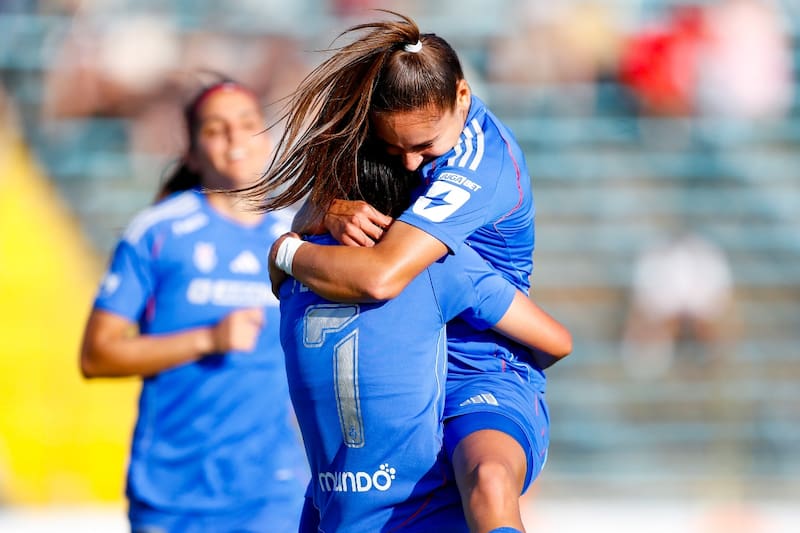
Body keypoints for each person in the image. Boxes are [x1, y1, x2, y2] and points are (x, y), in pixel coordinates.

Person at [246, 11, 553, 532]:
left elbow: (381, 275)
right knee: (338, 510)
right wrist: (327, 211)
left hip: (476, 368)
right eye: (395, 148)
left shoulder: (481, 165)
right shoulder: (392, 132)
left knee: (489, 480)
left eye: (424, 146)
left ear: (462, 96)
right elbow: (310, 220)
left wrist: (284, 252)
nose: (410, 163)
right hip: (393, 362)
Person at [280, 148, 571, 532]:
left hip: (335, 500)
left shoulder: (294, 273)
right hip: (418, 505)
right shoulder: (436, 266)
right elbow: (556, 342)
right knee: (490, 479)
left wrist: (283, 249)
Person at [79, 78, 308, 532]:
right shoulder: (157, 231)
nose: (235, 137)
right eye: (215, 129)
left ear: (267, 138)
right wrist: (208, 339)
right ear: (192, 152)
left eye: (247, 123)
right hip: (172, 493)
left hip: (272, 491)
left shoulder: (297, 237)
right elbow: (96, 355)